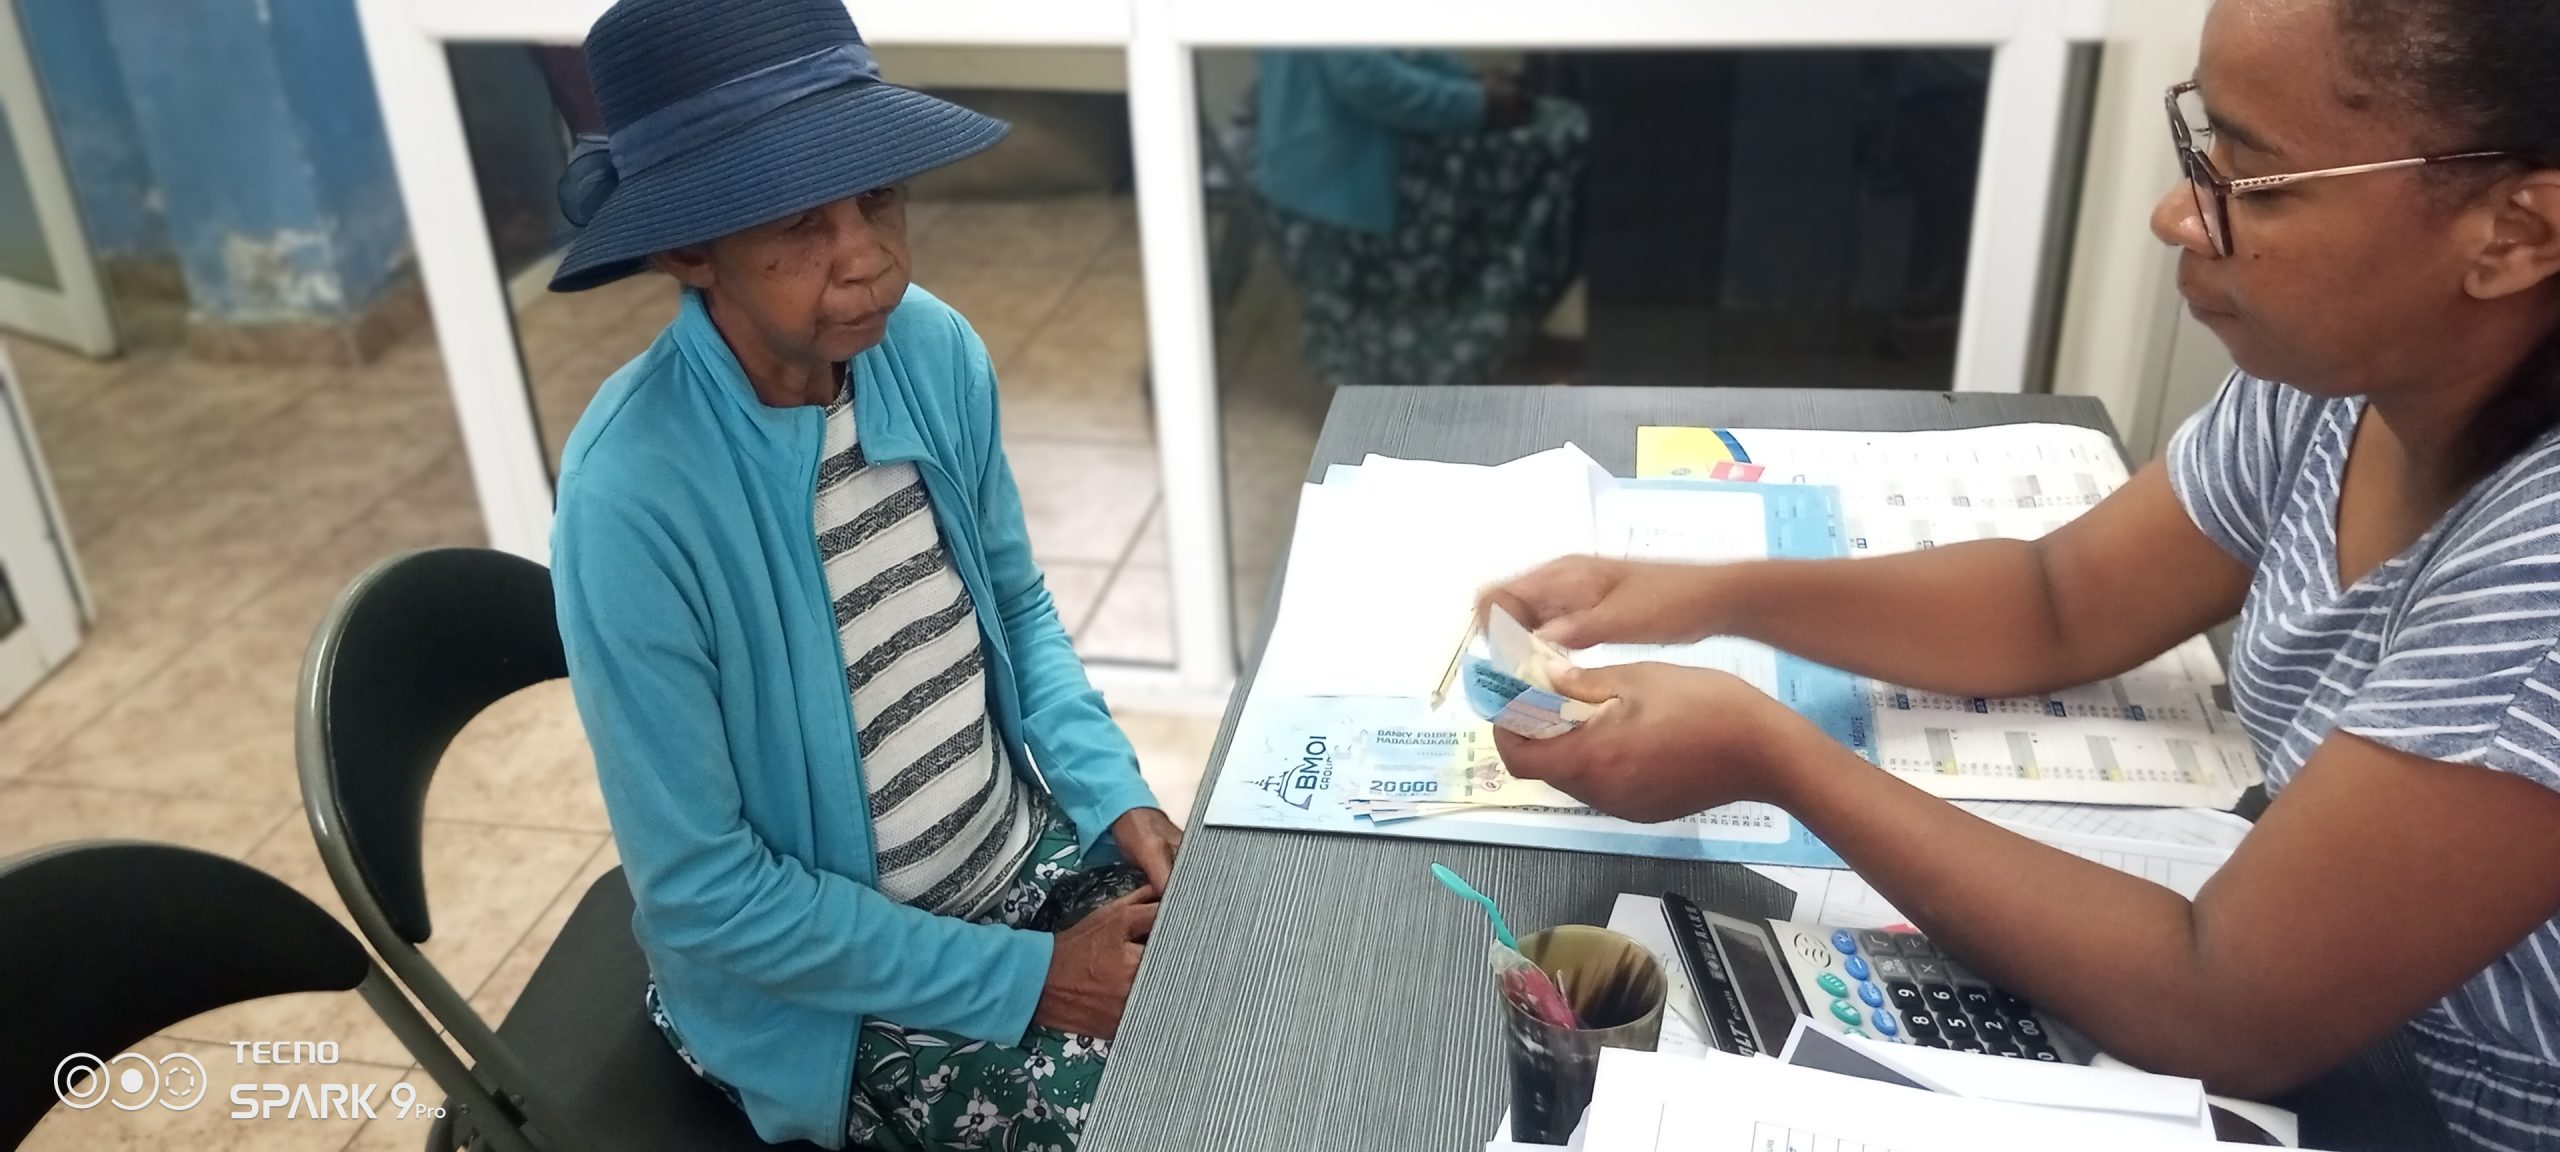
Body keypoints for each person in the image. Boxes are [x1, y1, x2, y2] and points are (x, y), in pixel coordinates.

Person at [1487, 1, 2560, 1147]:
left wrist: (1770, 753)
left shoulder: (2535, 574)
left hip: (2427, 1102)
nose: (2176, 213)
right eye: (2201, 143)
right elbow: (2060, 600)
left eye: (2253, 182)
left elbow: (2222, 1004)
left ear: (2515, 233)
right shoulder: (2342, 383)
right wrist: (1707, 593)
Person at [542, 1, 1180, 1147]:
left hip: (1015, 861)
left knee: (1254, 998)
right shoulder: (630, 497)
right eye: (799, 221)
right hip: (831, 987)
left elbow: (1016, 606)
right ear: (689, 251)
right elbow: (704, 891)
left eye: (877, 197)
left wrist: (1112, 792)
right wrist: (1033, 981)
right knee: (1170, 1123)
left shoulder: (931, 350)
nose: (867, 255)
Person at [1251, 50, 1588, 389]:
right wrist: (1477, 102)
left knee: (1562, 131)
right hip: (1339, 178)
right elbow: (1366, 81)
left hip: (1311, 161)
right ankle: (1504, 328)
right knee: (1565, 144)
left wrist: (1468, 83)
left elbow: (1391, 56)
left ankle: (1509, 327)